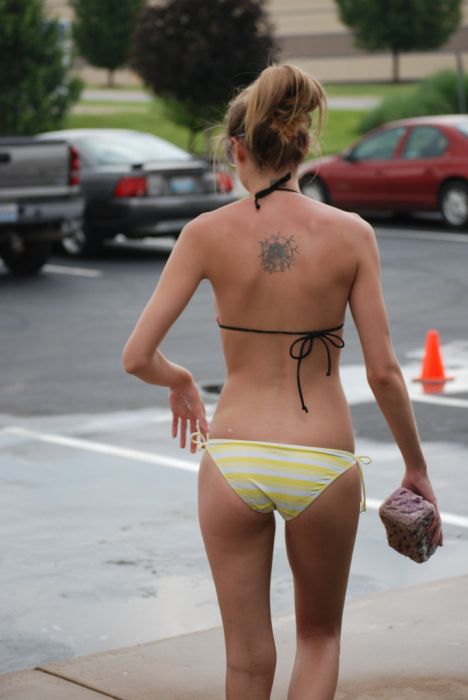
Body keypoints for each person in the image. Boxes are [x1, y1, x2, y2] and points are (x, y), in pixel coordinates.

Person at [122, 63, 443, 700]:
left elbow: (137, 356)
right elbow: (381, 371)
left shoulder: (204, 234)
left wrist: (180, 378)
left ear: (238, 149)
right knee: (320, 637)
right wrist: (415, 466)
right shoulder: (353, 235)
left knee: (245, 660)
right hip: (322, 461)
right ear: (303, 146)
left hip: (235, 457)